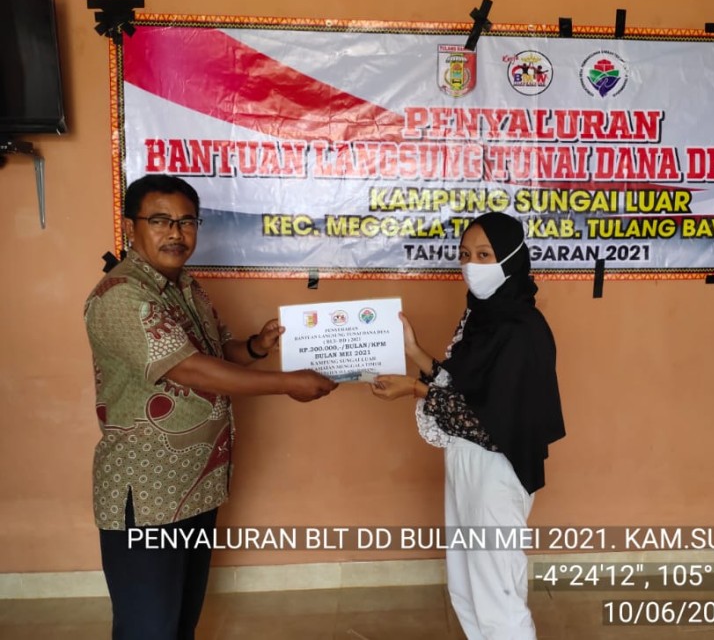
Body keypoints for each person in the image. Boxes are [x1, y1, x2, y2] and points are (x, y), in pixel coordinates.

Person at [83, 174, 337, 640]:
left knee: (181, 621)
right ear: (130, 226)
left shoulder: (187, 287)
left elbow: (218, 353)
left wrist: (256, 347)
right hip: (149, 493)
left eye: (187, 222)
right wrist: (287, 383)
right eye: (160, 220)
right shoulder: (122, 295)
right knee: (147, 627)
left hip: (195, 487)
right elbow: (191, 370)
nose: (176, 233)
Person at [370, 211, 565, 640]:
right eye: (463, 255)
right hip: (465, 460)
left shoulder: (522, 330)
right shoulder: (481, 319)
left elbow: (487, 418)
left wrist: (414, 389)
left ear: (511, 257)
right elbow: (465, 386)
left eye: (483, 254)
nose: (470, 265)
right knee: (466, 585)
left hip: (497, 468)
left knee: (497, 592)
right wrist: (414, 351)